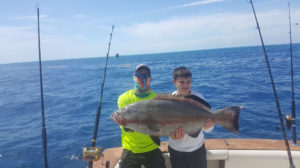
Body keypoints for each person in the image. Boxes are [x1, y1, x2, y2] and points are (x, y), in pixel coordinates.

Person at [117, 64, 166, 168]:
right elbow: (126, 127)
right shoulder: (124, 98)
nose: (143, 78)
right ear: (134, 77)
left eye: (146, 76)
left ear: (150, 78)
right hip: (131, 148)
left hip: (152, 146)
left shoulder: (156, 98)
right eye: (140, 75)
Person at [168, 66, 215, 168]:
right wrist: (173, 136)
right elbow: (166, 125)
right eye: (181, 82)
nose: (185, 85)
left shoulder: (199, 98)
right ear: (174, 82)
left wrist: (208, 126)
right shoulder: (169, 101)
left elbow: (209, 129)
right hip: (176, 151)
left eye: (188, 81)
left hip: (197, 150)